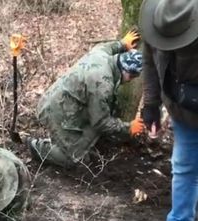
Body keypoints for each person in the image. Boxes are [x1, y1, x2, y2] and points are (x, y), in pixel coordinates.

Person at [26, 30, 145, 168]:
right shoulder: (103, 84)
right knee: (76, 159)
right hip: (56, 111)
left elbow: (107, 47)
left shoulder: (102, 54)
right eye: (132, 78)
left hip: (59, 100)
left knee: (91, 134)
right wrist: (128, 128)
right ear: (128, 74)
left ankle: (72, 141)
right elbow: (101, 122)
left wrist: (122, 44)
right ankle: (38, 148)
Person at [139, 0, 198, 221]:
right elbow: (150, 63)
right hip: (183, 111)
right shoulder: (157, 20)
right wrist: (151, 105)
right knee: (183, 168)